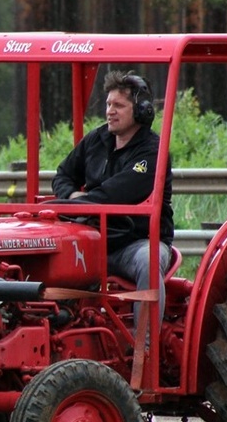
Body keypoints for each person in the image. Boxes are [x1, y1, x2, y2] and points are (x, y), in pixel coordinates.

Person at [52, 70, 174, 338]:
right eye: (108, 104)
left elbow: (113, 195)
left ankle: (144, 347)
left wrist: (74, 204)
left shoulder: (153, 152)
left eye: (118, 105)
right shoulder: (97, 139)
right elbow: (63, 174)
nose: (110, 111)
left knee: (149, 261)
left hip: (136, 242)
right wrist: (71, 196)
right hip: (94, 240)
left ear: (141, 111)